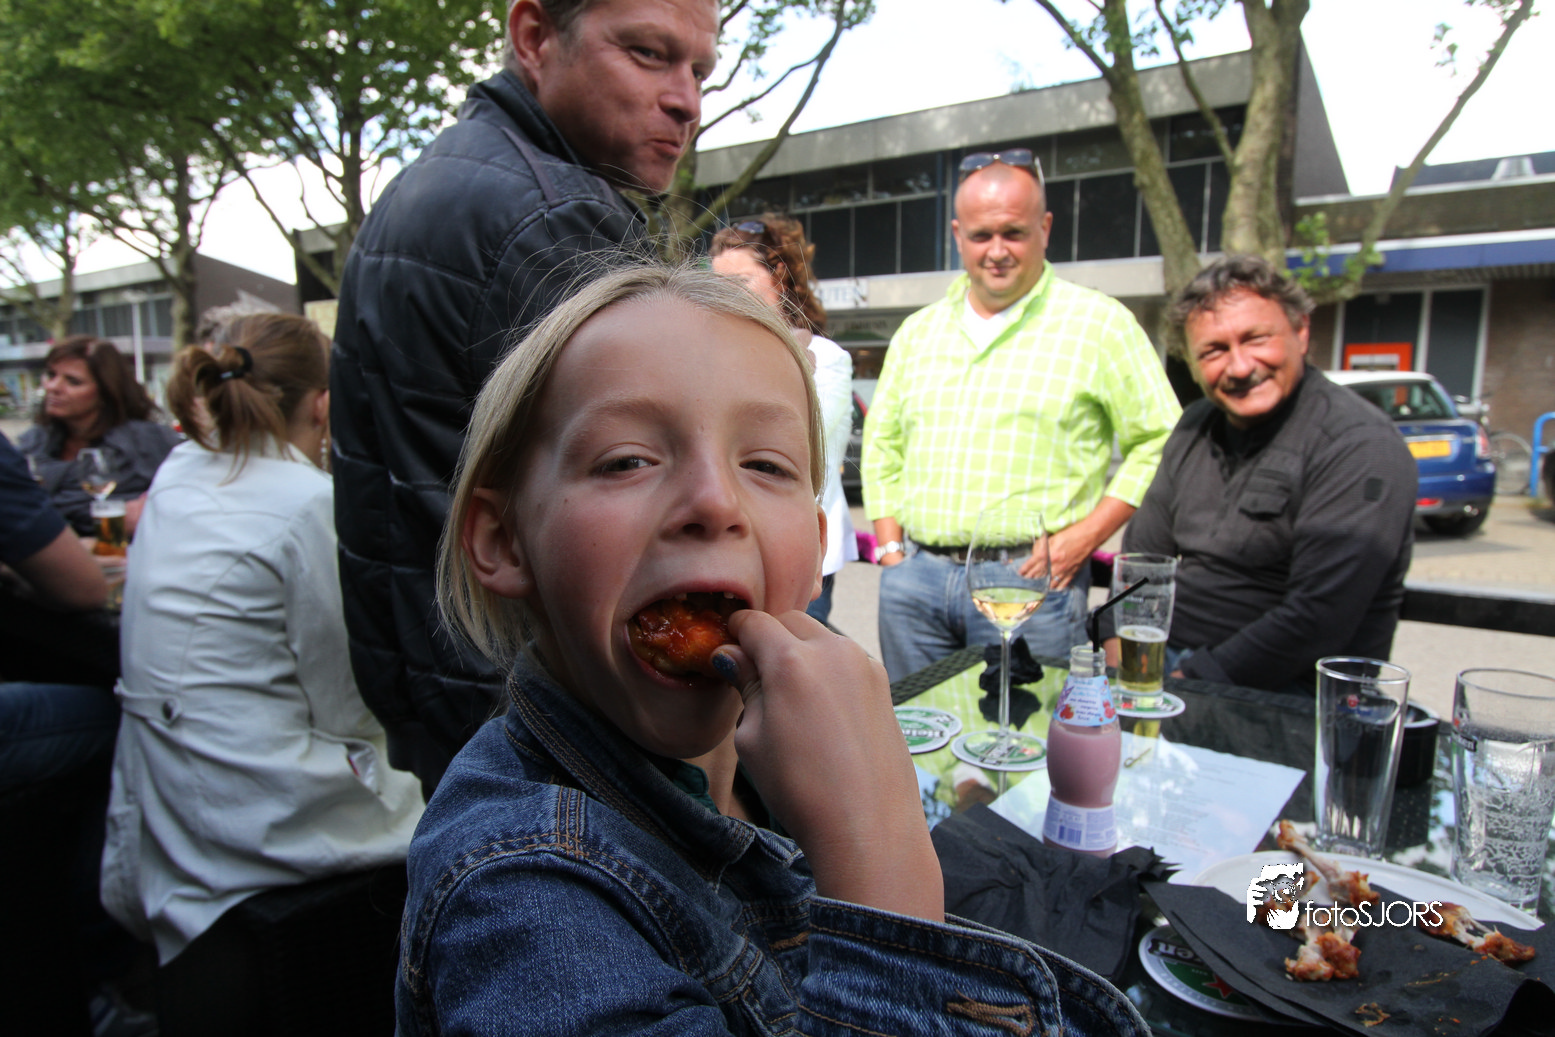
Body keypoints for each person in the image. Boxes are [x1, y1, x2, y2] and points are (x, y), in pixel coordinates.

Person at [400, 261, 1148, 1035]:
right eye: (625, 459)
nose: (714, 500)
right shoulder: (520, 892)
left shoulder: (778, 766)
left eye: (765, 464)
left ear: (818, 546)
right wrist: (881, 860)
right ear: (504, 538)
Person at [331, 0, 719, 792]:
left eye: (699, 71)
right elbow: (663, 515)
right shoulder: (556, 219)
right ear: (534, 37)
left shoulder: (425, 184)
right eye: (648, 54)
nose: (686, 101)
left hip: (444, 695)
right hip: (545, 729)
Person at [101, 314, 425, 979]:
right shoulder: (307, 503)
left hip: (159, 799)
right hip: (259, 811)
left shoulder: (180, 469)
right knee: (465, 790)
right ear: (324, 405)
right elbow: (349, 704)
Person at [861, 151, 1180, 680]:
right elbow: (881, 444)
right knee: (915, 726)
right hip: (915, 581)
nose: (997, 251)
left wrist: (1086, 536)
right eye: (981, 235)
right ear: (958, 235)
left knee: (1024, 729)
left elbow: (1162, 438)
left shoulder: (1100, 324)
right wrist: (891, 549)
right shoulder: (918, 332)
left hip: (1032, 580)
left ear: (1045, 228)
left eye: (1014, 233)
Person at [1103, 255, 1417, 693]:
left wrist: (1184, 687)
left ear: (1301, 332)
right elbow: (1140, 566)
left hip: (1286, 690)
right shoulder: (1194, 426)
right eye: (1213, 351)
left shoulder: (1358, 445)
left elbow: (1319, 617)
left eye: (1255, 339)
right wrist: (1123, 672)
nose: (1239, 367)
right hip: (1163, 662)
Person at [709, 214, 857, 623]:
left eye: (740, 282)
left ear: (779, 276)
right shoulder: (712, 354)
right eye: (717, 284)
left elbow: (807, 448)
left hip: (795, 550)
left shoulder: (825, 358)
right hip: (728, 545)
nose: (726, 296)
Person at [19, 335, 182, 539]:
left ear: (105, 391)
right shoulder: (33, 444)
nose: (53, 387)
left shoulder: (146, 443)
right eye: (51, 375)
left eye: (73, 381)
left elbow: (179, 507)